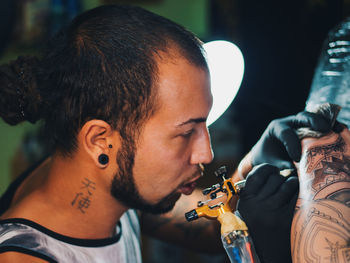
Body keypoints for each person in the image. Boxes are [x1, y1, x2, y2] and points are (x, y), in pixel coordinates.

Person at [0, 4, 333, 262]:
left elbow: (204, 225)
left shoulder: (112, 182)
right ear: (100, 140)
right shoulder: (25, 255)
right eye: (186, 132)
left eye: (205, 123)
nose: (206, 154)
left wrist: (253, 162)